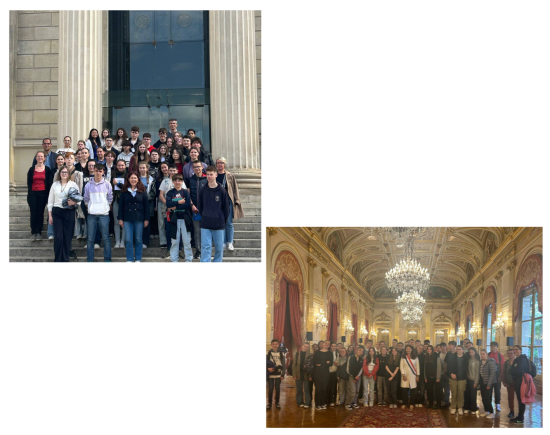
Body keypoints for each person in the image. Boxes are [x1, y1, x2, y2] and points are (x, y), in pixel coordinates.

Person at [47, 165, 81, 261]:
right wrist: (50, 216)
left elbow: (79, 200)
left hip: (69, 212)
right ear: (59, 174)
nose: (64, 174)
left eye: (66, 172)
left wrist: (73, 202)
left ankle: (65, 259)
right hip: (57, 212)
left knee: (67, 237)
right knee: (58, 237)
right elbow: (50, 202)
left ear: (69, 174)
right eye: (62, 172)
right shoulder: (55, 185)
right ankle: (58, 260)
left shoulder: (73, 184)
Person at [198, 166, 230, 262]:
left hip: (219, 223)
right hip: (206, 223)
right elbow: (200, 206)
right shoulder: (203, 190)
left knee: (219, 248)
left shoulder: (222, 190)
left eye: (211, 174)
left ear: (216, 175)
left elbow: (226, 208)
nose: (209, 176)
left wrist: (222, 220)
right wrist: (205, 215)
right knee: (205, 247)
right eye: (207, 174)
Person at [83, 163, 113, 262]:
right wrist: (90, 207)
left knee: (106, 238)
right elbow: (86, 199)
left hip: (103, 215)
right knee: (90, 239)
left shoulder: (107, 184)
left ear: (103, 172)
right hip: (92, 215)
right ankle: (90, 259)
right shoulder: (88, 185)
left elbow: (110, 198)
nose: (98, 173)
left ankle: (107, 259)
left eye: (100, 171)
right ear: (93, 171)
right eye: (96, 171)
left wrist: (105, 208)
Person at [117, 172, 149, 262]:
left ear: (138, 179)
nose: (133, 180)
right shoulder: (124, 191)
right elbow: (121, 206)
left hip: (139, 218)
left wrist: (146, 219)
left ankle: (138, 259)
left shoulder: (142, 190)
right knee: (128, 240)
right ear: (128, 179)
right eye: (131, 178)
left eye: (135, 178)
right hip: (127, 218)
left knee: (138, 239)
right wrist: (120, 219)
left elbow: (146, 206)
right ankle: (130, 259)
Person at [215, 157, 244, 251]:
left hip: (228, 201)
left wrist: (237, 200)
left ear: (225, 164)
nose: (220, 164)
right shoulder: (214, 175)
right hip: (217, 202)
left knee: (229, 222)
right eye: (218, 163)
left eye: (222, 163)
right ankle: (223, 242)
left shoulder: (230, 175)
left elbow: (235, 188)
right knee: (220, 222)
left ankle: (230, 242)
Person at [165, 173, 193, 262]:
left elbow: (188, 204)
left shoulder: (185, 192)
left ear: (182, 181)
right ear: (173, 182)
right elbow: (168, 204)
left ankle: (189, 259)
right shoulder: (170, 192)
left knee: (187, 241)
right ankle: (174, 259)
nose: (177, 182)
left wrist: (175, 206)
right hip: (174, 219)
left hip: (185, 218)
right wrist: (179, 202)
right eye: (175, 180)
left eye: (179, 180)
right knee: (174, 241)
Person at [27, 151, 53, 241]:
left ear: (44, 158)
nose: (40, 158)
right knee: (33, 213)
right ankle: (33, 232)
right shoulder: (31, 169)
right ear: (36, 158)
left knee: (40, 213)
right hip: (33, 194)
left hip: (43, 193)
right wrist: (30, 192)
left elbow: (49, 182)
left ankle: (39, 232)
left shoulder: (48, 169)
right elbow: (29, 182)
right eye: (38, 156)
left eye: (42, 156)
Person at [158, 164, 179, 256]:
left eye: (174, 170)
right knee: (169, 228)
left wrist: (175, 204)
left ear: (177, 171)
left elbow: (184, 194)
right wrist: (168, 204)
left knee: (179, 229)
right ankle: (169, 248)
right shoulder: (165, 181)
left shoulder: (180, 181)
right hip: (167, 208)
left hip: (178, 208)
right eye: (171, 170)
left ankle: (179, 249)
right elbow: (161, 195)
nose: (172, 172)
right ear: (168, 171)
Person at [137, 161, 155, 249]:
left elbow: (153, 192)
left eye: (144, 167)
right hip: (137, 204)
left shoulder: (151, 179)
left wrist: (145, 198)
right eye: (140, 168)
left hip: (148, 203)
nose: (142, 169)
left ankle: (146, 242)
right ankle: (138, 241)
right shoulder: (135, 178)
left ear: (147, 168)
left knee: (146, 222)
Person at [510, 346, 529, 424]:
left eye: (516, 349)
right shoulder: (517, 359)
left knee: (521, 400)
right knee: (519, 399)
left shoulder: (521, 359)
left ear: (520, 350)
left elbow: (516, 371)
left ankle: (520, 418)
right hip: (517, 382)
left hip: (521, 382)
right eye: (514, 349)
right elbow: (512, 370)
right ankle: (519, 416)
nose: (515, 351)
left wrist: (513, 370)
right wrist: (513, 370)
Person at [111, 160, 127, 249]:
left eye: (122, 165)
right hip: (115, 200)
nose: (120, 167)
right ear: (116, 166)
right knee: (116, 222)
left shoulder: (128, 175)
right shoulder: (113, 175)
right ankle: (117, 240)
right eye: (119, 165)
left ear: (125, 166)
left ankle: (123, 241)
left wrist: (118, 184)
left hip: (125, 201)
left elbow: (128, 188)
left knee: (124, 222)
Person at [447, 344, 467, 415]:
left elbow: (465, 369)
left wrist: (459, 375)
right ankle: (453, 407)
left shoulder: (465, 358)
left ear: (462, 350)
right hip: (453, 378)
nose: (458, 350)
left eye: (460, 349)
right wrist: (451, 374)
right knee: (454, 392)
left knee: (460, 393)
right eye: (457, 349)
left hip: (462, 378)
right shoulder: (452, 357)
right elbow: (449, 367)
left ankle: (460, 407)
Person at [312, 340, 333, 410]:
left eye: (328, 344)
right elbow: (315, 362)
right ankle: (317, 404)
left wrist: (321, 363)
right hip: (317, 372)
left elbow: (330, 363)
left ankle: (323, 403)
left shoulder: (330, 353)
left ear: (329, 345)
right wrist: (325, 362)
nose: (327, 344)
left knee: (324, 388)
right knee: (318, 388)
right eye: (325, 343)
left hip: (326, 372)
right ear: (323, 344)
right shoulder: (317, 352)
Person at [478, 349, 497, 419]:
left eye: (483, 354)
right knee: (483, 398)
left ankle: (492, 412)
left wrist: (489, 384)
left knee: (487, 398)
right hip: (482, 382)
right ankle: (487, 411)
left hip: (489, 383)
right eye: (481, 354)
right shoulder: (481, 362)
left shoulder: (491, 361)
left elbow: (493, 374)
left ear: (486, 354)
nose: (482, 355)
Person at [266, 339, 285, 410]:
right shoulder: (268, 353)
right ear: (271, 344)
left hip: (278, 373)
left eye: (276, 344)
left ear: (278, 345)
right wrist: (267, 368)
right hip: (270, 372)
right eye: (273, 344)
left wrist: (283, 374)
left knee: (277, 388)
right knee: (270, 388)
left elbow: (283, 364)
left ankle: (277, 403)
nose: (274, 345)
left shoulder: (281, 353)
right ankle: (269, 403)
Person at [292, 343, 312, 409]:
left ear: (308, 348)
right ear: (302, 346)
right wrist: (294, 375)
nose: (305, 348)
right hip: (298, 374)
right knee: (299, 389)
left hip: (306, 374)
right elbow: (294, 365)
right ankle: (300, 402)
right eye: (304, 346)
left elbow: (311, 366)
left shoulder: (310, 355)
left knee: (307, 389)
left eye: (307, 347)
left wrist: (310, 376)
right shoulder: (297, 354)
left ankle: (307, 402)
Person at [400, 345, 420, 409]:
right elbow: (401, 367)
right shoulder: (403, 357)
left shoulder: (415, 357)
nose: (408, 350)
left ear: (412, 349)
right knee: (404, 391)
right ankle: (404, 403)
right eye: (407, 348)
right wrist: (403, 375)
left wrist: (417, 375)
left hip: (413, 376)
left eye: (409, 348)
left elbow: (417, 367)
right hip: (404, 376)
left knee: (413, 391)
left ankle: (411, 403)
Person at [155, 162, 170, 250]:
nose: (164, 169)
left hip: (171, 203)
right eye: (162, 168)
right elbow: (157, 192)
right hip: (161, 202)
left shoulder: (173, 177)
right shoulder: (159, 179)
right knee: (161, 223)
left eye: (165, 167)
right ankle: (163, 242)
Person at [424, 344, 443, 409]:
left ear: (432, 350)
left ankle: (438, 404)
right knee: (429, 391)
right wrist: (425, 377)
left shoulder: (436, 357)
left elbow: (439, 368)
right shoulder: (426, 357)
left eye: (430, 349)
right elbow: (424, 368)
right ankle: (430, 403)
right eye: (428, 349)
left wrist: (438, 377)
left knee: (437, 391)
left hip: (435, 377)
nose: (429, 350)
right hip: (428, 377)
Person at [345, 345, 364, 410]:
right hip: (351, 376)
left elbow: (361, 369)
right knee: (352, 391)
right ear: (356, 350)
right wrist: (354, 376)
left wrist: (358, 376)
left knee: (357, 391)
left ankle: (354, 402)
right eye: (359, 350)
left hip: (358, 377)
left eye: (362, 351)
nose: (360, 352)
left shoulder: (361, 359)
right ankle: (348, 403)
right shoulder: (351, 357)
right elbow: (348, 368)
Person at [488, 341, 505, 412]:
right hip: (489, 377)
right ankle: (489, 405)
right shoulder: (488, 354)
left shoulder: (500, 356)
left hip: (497, 376)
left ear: (497, 347)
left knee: (497, 391)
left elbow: (502, 366)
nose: (493, 347)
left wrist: (500, 376)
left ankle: (497, 404)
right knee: (489, 391)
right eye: (492, 346)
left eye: (494, 346)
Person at [463, 347, 480, 414]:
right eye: (470, 352)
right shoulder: (468, 360)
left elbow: (477, 372)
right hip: (468, 379)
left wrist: (476, 382)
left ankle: (473, 408)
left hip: (473, 380)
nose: (471, 353)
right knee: (467, 394)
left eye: (472, 352)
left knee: (473, 395)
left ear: (475, 352)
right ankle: (467, 407)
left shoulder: (477, 361)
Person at [503, 348, 516, 418]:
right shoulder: (506, 363)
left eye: (511, 353)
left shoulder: (517, 362)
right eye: (509, 353)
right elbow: (504, 372)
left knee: (520, 398)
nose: (510, 355)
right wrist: (504, 381)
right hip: (509, 383)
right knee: (510, 397)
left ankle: (521, 412)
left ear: (514, 354)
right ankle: (512, 411)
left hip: (517, 383)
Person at [327, 342, 339, 406]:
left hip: (334, 371)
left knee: (333, 386)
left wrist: (337, 363)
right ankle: (327, 399)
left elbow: (338, 361)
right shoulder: (327, 352)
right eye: (332, 346)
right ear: (330, 346)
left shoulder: (337, 353)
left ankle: (332, 399)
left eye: (334, 346)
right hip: (327, 371)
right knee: (327, 386)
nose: (333, 347)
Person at [438, 342, 450, 406]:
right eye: (441, 346)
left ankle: (446, 401)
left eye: (444, 346)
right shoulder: (438, 354)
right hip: (440, 374)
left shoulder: (448, 354)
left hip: (447, 374)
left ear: (446, 347)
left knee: (446, 388)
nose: (442, 347)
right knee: (440, 387)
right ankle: (441, 399)